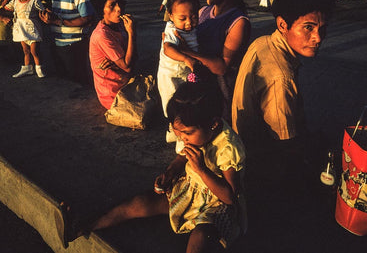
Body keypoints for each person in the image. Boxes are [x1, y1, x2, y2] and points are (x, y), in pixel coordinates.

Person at [84, 78, 246, 252]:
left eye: (187, 133)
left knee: (199, 239)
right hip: (190, 190)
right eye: (180, 134)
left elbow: (229, 196)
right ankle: (87, 225)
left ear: (213, 124)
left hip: (216, 205)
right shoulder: (197, 133)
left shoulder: (228, 148)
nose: (183, 139)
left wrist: (202, 170)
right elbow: (184, 156)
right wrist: (170, 173)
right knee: (140, 203)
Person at [230, 0, 333, 248]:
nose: (318, 38)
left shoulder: (265, 41)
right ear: (283, 25)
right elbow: (286, 145)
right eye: (308, 28)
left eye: (322, 28)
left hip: (245, 143)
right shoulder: (281, 78)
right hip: (261, 164)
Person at [175, 0, 251, 116]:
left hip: (219, 97)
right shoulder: (203, 12)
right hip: (198, 90)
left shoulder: (238, 22)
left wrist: (186, 52)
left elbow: (223, 67)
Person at [40, 0, 95, 84]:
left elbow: (87, 19)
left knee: (78, 84)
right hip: (58, 45)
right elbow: (60, 14)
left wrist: (57, 22)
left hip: (74, 47)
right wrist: (49, 15)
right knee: (64, 85)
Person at [157, 0, 200, 144]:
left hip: (184, 74)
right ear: (171, 15)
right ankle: (176, 133)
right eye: (183, 18)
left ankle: (179, 132)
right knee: (173, 105)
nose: (189, 23)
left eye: (193, 17)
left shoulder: (193, 29)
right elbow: (168, 49)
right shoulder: (172, 29)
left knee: (186, 105)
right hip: (170, 76)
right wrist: (186, 58)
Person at [89, 0, 136, 109]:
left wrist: (118, 64)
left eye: (121, 3)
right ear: (101, 8)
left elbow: (133, 59)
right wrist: (132, 33)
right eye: (112, 5)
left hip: (124, 84)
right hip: (112, 96)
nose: (119, 9)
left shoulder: (119, 26)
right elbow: (128, 67)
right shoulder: (102, 34)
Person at [1, 0, 47, 78]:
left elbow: (43, 11)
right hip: (21, 29)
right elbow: (4, 7)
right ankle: (27, 68)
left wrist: (46, 17)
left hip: (32, 30)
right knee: (25, 51)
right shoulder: (15, 1)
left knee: (34, 51)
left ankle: (39, 68)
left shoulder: (34, 1)